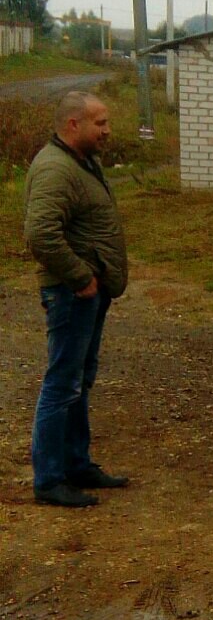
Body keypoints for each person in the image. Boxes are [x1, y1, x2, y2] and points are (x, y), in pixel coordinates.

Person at [24, 91, 130, 507]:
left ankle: (76, 463)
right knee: (62, 383)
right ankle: (49, 480)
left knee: (79, 380)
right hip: (72, 294)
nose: (107, 131)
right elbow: (40, 234)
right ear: (73, 125)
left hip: (88, 293)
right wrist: (80, 276)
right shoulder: (55, 170)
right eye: (99, 124)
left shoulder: (81, 161)